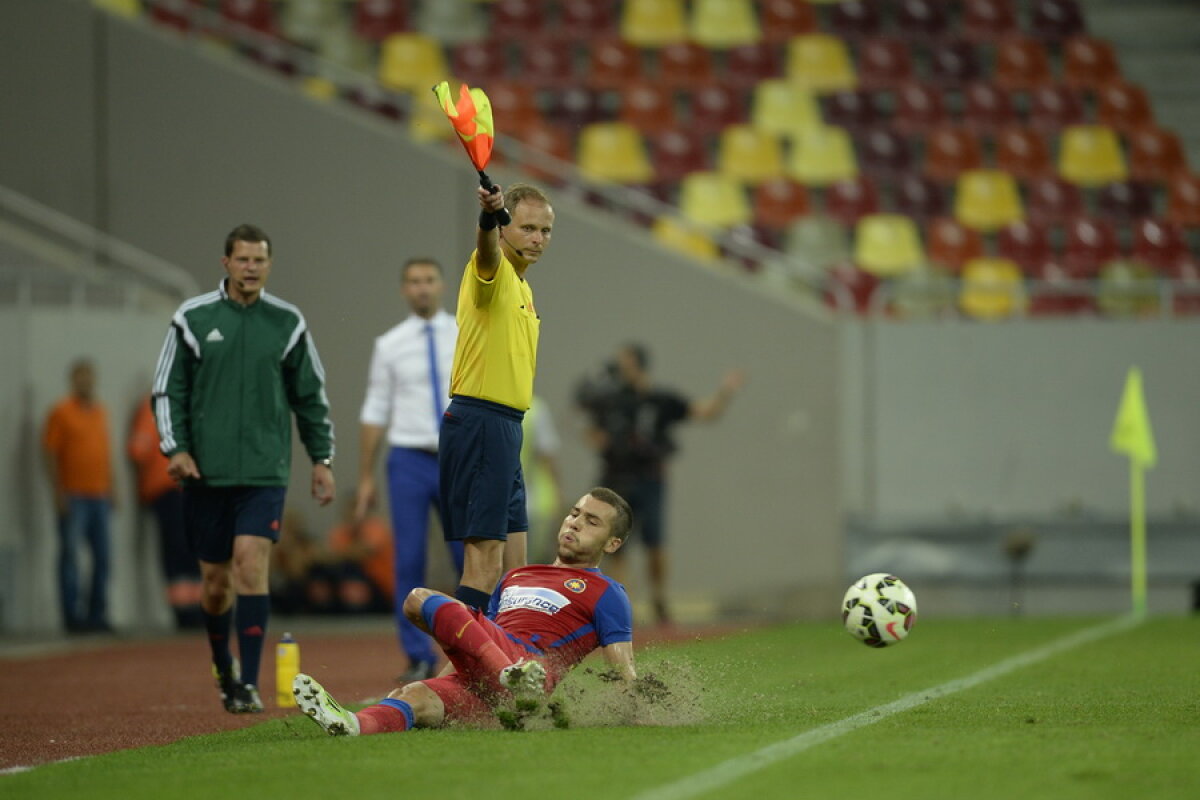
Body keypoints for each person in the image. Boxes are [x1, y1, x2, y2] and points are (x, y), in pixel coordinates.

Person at [152, 223, 336, 713]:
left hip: (264, 471)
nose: (251, 268)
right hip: (205, 474)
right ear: (226, 263)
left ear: (269, 265)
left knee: (251, 565)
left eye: (259, 260)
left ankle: (249, 685)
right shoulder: (192, 318)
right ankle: (224, 666)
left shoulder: (287, 323)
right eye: (243, 259)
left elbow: (310, 397)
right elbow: (169, 390)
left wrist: (321, 459)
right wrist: (176, 449)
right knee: (216, 584)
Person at [293, 487, 635, 736]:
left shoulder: (607, 593)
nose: (575, 523)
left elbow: (624, 672)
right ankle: (352, 724)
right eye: (574, 513)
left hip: (531, 669)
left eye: (591, 521)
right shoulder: (517, 576)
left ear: (612, 543)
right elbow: (473, 635)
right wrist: (443, 682)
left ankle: (513, 678)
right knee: (415, 696)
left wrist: (638, 710)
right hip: (494, 684)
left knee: (421, 598)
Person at [438, 182, 555, 612]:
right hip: (481, 421)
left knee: (516, 568)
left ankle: (504, 652)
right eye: (528, 228)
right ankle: (456, 657)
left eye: (545, 230)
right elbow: (486, 251)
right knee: (484, 564)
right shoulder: (492, 269)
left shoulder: (523, 287)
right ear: (505, 228)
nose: (538, 238)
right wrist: (488, 216)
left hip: (507, 428)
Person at [579, 343, 744, 627]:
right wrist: (600, 440)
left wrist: (725, 391)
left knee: (655, 543)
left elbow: (704, 412)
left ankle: (658, 599)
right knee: (615, 544)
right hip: (615, 478)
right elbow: (589, 426)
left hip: (649, 479)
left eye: (626, 363)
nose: (620, 369)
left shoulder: (660, 400)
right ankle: (621, 607)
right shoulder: (612, 400)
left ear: (638, 365)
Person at [355, 257, 463, 682]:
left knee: (468, 555)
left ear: (442, 285)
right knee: (410, 558)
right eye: (414, 281)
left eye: (429, 280)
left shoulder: (463, 332)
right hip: (409, 459)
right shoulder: (390, 344)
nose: (422, 288)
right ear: (404, 289)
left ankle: (475, 647)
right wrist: (366, 475)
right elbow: (375, 408)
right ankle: (418, 654)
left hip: (455, 456)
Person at [42, 358, 115, 634]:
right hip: (73, 495)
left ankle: (97, 614)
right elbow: (50, 453)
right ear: (73, 380)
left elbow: (104, 452)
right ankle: (72, 616)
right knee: (71, 556)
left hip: (99, 495)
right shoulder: (61, 412)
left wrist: (112, 487)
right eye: (80, 376)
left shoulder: (100, 411)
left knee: (103, 558)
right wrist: (57, 491)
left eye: (89, 376)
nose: (85, 381)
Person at [127, 392, 203, 629]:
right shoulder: (155, 410)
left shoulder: (171, 408)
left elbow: (139, 450)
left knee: (187, 550)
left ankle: (193, 609)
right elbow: (138, 450)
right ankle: (187, 612)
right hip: (168, 489)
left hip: (182, 489)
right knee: (181, 550)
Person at [521, 395, 565, 564]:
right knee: (527, 564)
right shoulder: (535, 409)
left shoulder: (486, 404)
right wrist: (558, 495)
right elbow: (548, 457)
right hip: (533, 505)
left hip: (529, 504)